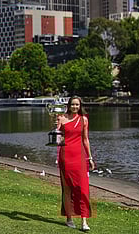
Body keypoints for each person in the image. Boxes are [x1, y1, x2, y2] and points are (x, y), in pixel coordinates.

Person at [56, 96, 95, 231]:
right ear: (69, 105)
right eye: (73, 104)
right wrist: (56, 131)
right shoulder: (62, 118)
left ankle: (84, 221)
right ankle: (69, 218)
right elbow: (58, 139)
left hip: (79, 157)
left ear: (80, 106)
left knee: (83, 189)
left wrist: (89, 158)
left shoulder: (84, 120)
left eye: (77, 105)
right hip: (65, 156)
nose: (75, 107)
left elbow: (85, 140)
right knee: (67, 189)